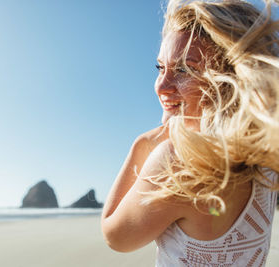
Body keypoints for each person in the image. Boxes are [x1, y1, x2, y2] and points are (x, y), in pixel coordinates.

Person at [101, 0, 279, 266]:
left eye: (185, 69)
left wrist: (143, 144)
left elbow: (116, 236)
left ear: (228, 77)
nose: (162, 85)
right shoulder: (266, 160)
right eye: (160, 68)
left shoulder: (179, 162)